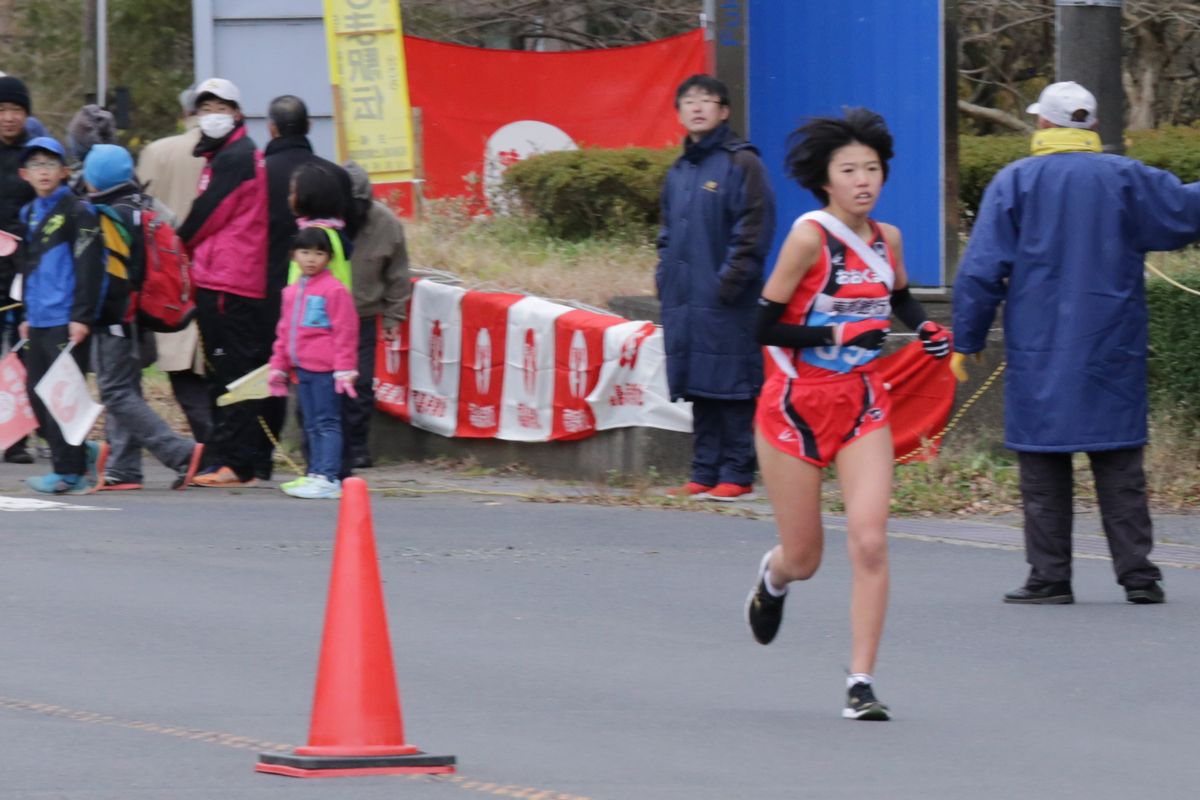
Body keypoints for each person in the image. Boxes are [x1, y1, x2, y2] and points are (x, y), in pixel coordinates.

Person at [953, 81, 1200, 606]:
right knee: (1119, 465)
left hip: (1041, 347)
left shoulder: (1014, 182)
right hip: (1112, 341)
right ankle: (1139, 575)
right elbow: (1183, 211)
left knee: (1043, 467)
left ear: (1044, 125)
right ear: (1089, 127)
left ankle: (1049, 577)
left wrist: (966, 338)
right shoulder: (1127, 178)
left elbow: (980, 271)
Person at [745, 109, 951, 721]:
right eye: (849, 170)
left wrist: (926, 328)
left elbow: (900, 298)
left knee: (869, 541)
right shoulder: (809, 236)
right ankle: (773, 578)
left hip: (862, 405)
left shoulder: (888, 239)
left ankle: (860, 683)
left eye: (872, 169)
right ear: (825, 180)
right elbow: (763, 326)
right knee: (805, 557)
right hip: (794, 408)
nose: (864, 180)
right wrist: (838, 330)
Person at [656, 74, 775, 502]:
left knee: (733, 385)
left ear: (724, 111)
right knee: (699, 384)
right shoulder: (680, 169)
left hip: (727, 299)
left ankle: (737, 472)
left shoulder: (742, 163)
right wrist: (665, 276)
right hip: (685, 298)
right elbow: (667, 231)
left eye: (708, 100)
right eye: (689, 100)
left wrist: (729, 281)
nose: (698, 107)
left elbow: (754, 230)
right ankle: (703, 471)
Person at [81, 144, 205, 491]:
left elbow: (108, 274)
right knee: (127, 387)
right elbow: (176, 229)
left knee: (115, 391)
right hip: (140, 313)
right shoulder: (143, 205)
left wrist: (93, 312)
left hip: (115, 315)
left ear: (95, 179)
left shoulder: (108, 215)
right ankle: (124, 468)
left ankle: (181, 453)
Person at [175, 78, 270, 488]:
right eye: (205, 107)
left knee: (230, 374)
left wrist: (176, 241)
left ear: (236, 112)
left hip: (229, 281)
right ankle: (231, 460)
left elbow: (209, 213)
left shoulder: (236, 157)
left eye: (220, 106)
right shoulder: (225, 155)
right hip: (224, 277)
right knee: (227, 372)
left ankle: (237, 463)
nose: (211, 114)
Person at [15, 137, 104, 493]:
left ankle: (71, 473)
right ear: (24, 174)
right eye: (36, 165)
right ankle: (80, 454)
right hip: (36, 318)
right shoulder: (29, 213)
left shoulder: (79, 211)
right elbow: (28, 267)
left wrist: (81, 316)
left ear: (64, 172)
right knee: (37, 394)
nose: (43, 171)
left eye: (50, 164)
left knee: (62, 396)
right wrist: (23, 313)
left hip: (65, 318)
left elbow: (89, 267)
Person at [136, 86, 211, 447]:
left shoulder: (159, 152)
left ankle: (207, 444)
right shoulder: (237, 153)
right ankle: (222, 448)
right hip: (218, 270)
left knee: (180, 365)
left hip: (166, 270)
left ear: (184, 114)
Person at [268, 227, 358, 500]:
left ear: (329, 258)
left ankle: (329, 476)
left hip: (327, 371)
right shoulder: (292, 292)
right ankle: (316, 472)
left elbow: (345, 330)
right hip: (301, 369)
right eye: (305, 252)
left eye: (319, 253)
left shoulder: (334, 291)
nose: (311, 259)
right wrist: (279, 365)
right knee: (311, 423)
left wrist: (344, 368)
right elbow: (284, 331)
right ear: (294, 255)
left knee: (327, 422)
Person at [342, 161, 411, 469]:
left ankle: (357, 446)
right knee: (322, 384)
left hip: (364, 318)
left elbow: (398, 275)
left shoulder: (387, 224)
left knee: (361, 384)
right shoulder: (321, 221)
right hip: (323, 320)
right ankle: (329, 444)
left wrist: (395, 317)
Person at [0, 74, 36, 463]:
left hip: (26, 271)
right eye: (2, 110)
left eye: (16, 110)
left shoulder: (37, 155)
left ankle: (18, 438)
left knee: (23, 356)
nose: (9, 118)